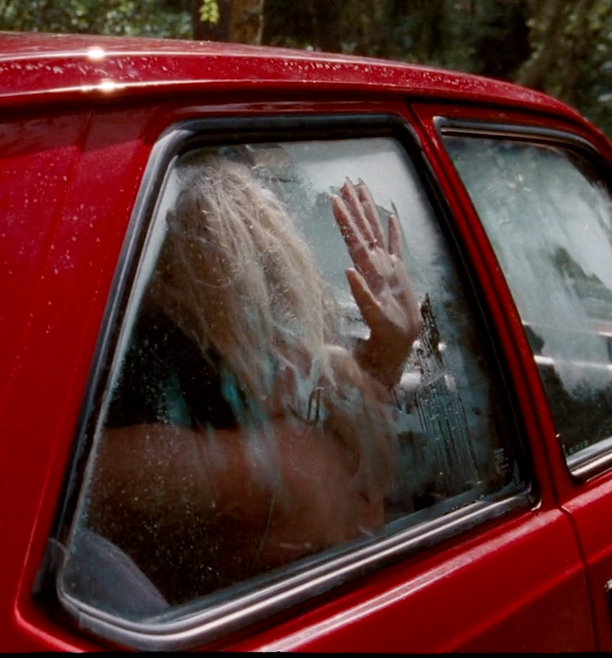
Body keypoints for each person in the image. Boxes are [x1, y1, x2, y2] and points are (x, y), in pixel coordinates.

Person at [80, 153, 421, 607]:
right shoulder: (334, 393)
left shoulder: (266, 465)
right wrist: (387, 353)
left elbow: (55, 482)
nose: (289, 363)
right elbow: (355, 389)